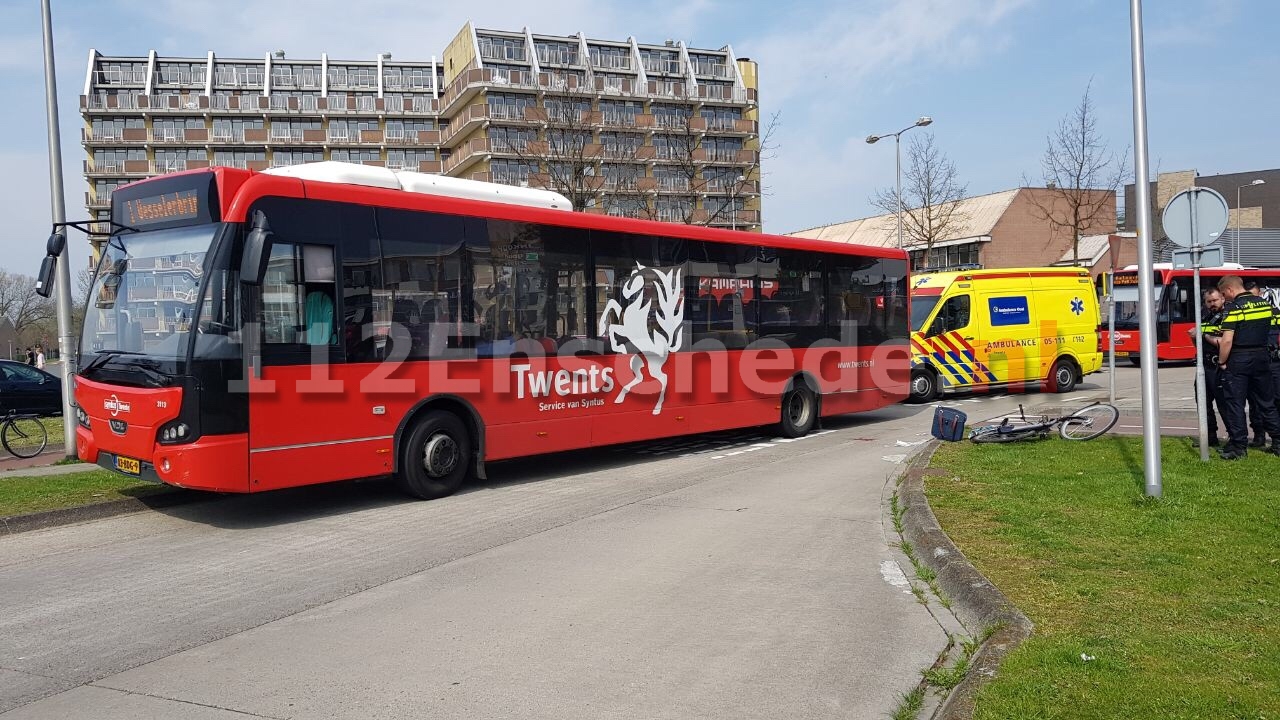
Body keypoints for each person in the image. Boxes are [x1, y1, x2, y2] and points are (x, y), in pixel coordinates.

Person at [1214, 275, 1280, 459]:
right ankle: (1277, 442)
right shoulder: (1265, 305)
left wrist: (1221, 362)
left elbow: (1227, 341)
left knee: (1235, 403)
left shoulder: (1234, 308)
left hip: (1240, 358)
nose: (1224, 297)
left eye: (1223, 293)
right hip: (1262, 356)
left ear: (1229, 290)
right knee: (1267, 402)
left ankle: (1238, 446)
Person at [1195, 288, 1227, 447]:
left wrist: (1204, 336)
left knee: (1224, 404)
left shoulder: (1227, 315)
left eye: (1215, 300)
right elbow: (1198, 342)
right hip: (1204, 365)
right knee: (1203, 403)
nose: (1212, 304)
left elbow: (1224, 342)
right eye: (1209, 301)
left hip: (1218, 366)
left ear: (1222, 298)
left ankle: (1234, 438)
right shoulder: (1204, 315)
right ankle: (1210, 436)